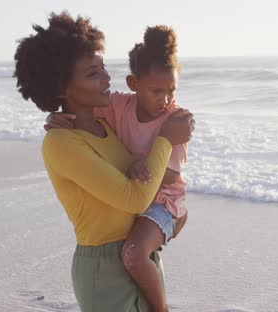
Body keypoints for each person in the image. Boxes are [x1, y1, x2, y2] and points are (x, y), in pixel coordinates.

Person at [13, 11, 194, 312]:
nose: (108, 79)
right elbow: (135, 198)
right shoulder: (60, 142)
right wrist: (165, 137)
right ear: (61, 87)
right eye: (92, 73)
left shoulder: (108, 127)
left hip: (140, 257)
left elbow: (150, 177)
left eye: (103, 68)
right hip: (104, 273)